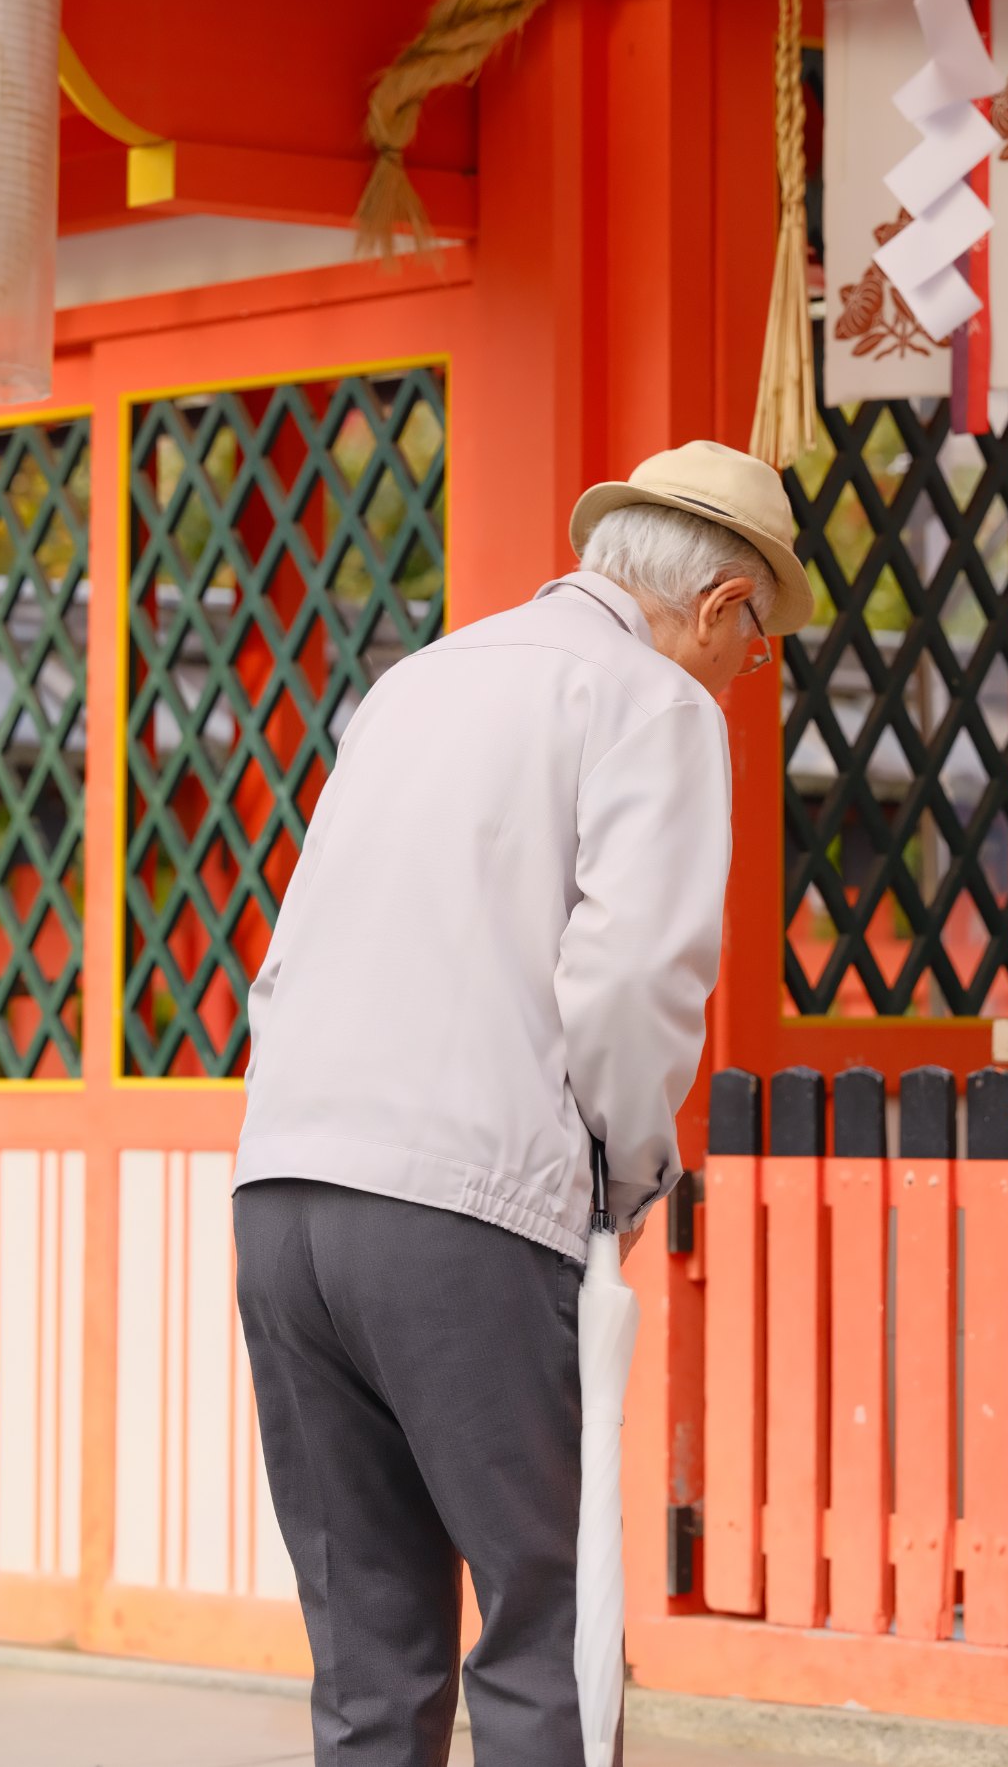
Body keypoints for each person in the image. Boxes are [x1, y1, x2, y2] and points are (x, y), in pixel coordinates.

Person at [232, 439, 813, 1767]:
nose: (746, 674)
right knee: (543, 1627)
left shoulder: (415, 684)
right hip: (467, 1209)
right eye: (757, 644)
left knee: (371, 1653)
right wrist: (627, 1174)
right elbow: (630, 984)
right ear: (724, 607)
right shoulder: (656, 705)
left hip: (285, 1191)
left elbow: (285, 955)